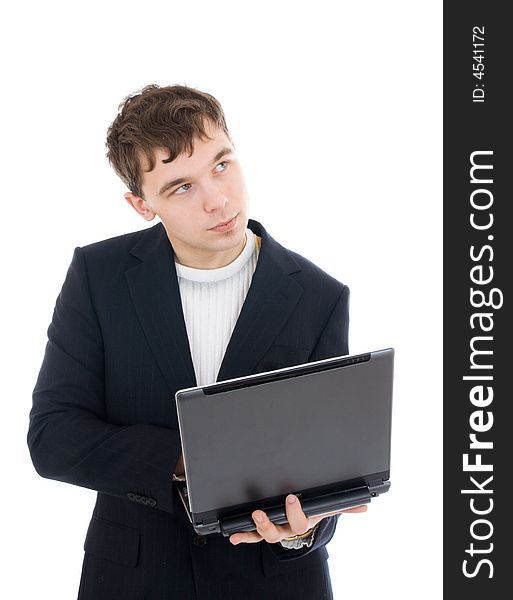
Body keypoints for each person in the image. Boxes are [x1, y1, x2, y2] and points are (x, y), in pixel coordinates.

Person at [27, 84, 366, 600]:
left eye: (221, 164)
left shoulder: (320, 297)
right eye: (181, 187)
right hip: (134, 580)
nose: (218, 199)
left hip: (272, 586)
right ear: (141, 204)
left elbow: (321, 481)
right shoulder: (98, 277)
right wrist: (191, 458)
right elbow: (53, 436)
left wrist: (300, 531)